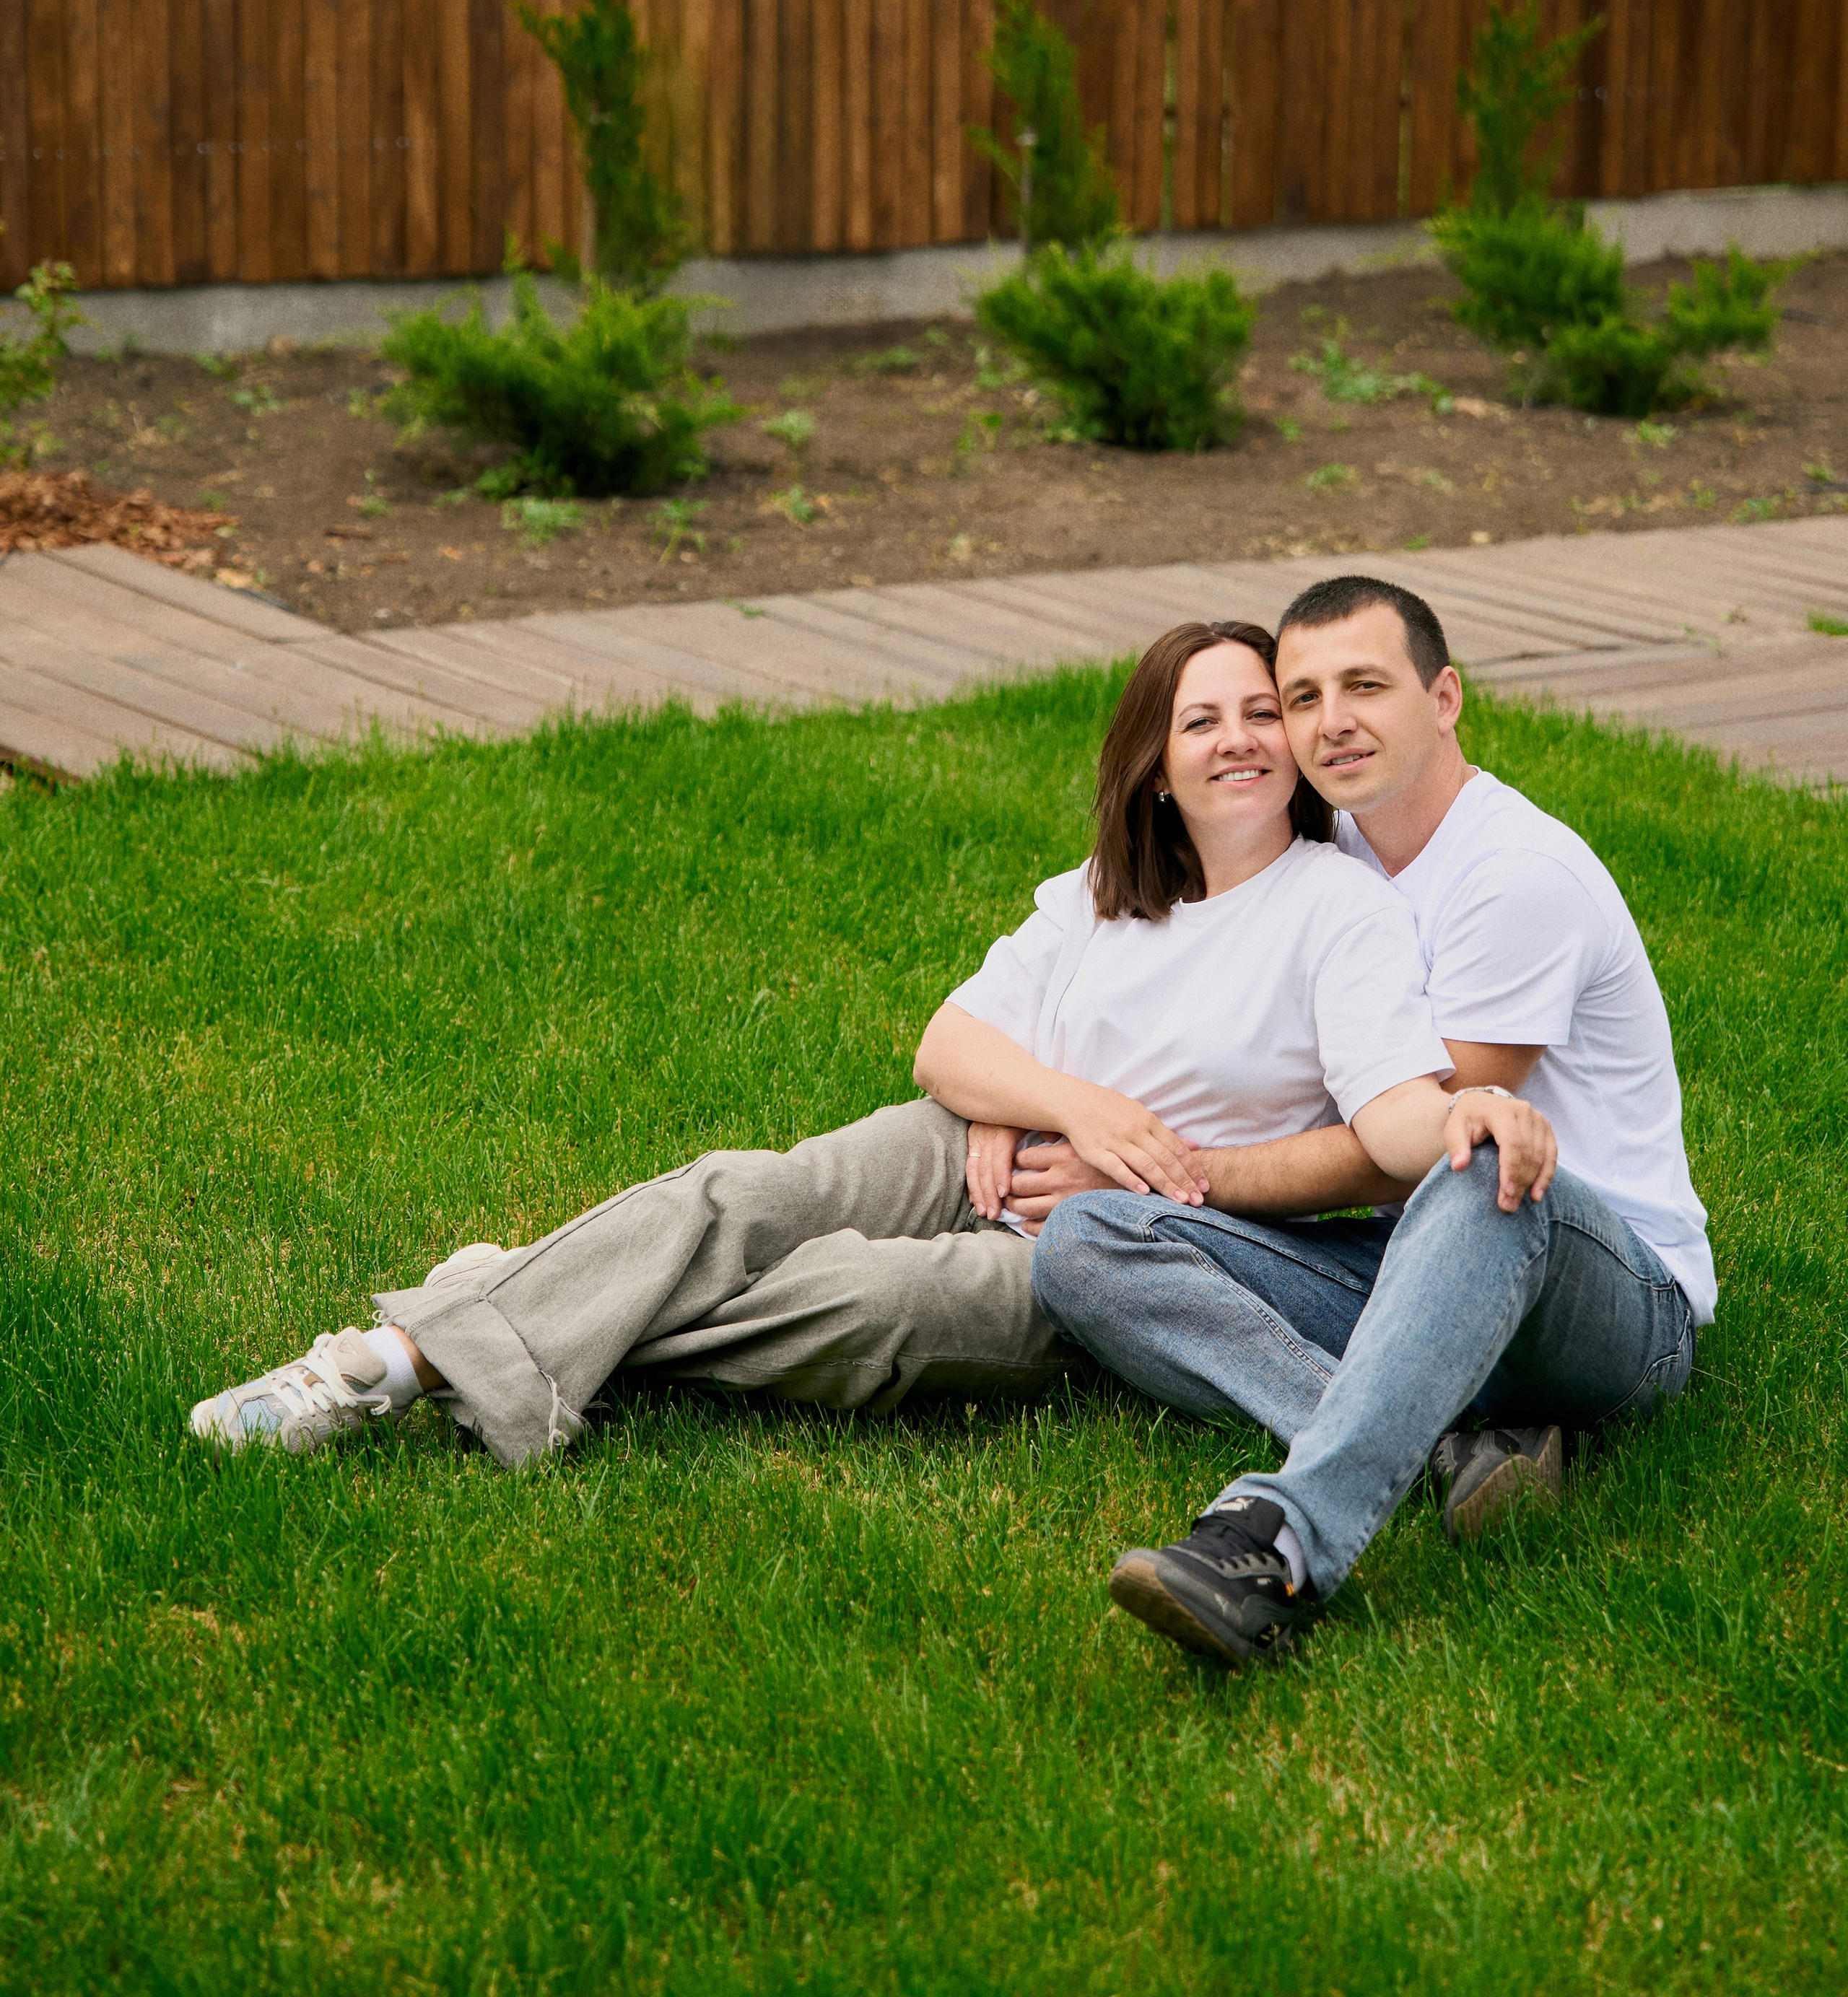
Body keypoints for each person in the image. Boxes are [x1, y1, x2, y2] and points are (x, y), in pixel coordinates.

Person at [189, 616, 1551, 1467]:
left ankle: (500, 1296)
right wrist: (1064, 1104)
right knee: (746, 1193)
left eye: (1267, 712)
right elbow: (946, 1046)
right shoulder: (1104, 889)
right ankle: (385, 1369)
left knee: (860, 1304)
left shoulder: (1345, 912)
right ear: (1153, 759)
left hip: (1127, 1243)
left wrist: (1459, 1123)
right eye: (1204, 719)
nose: (1246, 738)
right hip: (983, 1140)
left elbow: (1386, 1121)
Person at [1029, 574, 1712, 1671]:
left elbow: (1408, 1147)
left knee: (1478, 1163)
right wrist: (1026, 1102)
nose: (1330, 720)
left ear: (1444, 698)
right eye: (1302, 696)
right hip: (1415, 1278)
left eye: (1365, 685)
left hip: (1603, 1296)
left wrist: (1187, 1169)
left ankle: (1278, 1543)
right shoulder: (1332, 853)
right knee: (1087, 1239)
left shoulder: (1513, 876)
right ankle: (1441, 1441)